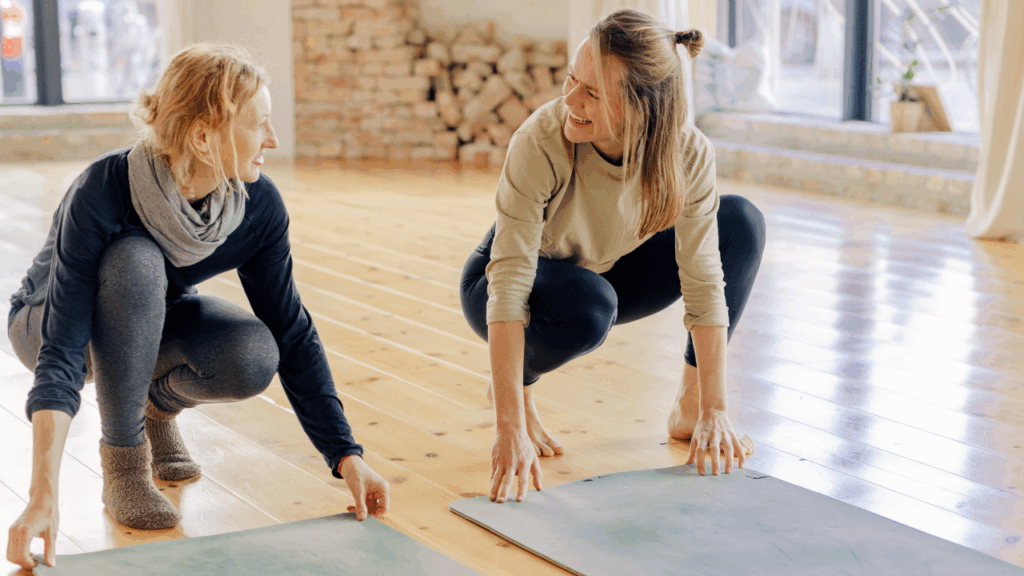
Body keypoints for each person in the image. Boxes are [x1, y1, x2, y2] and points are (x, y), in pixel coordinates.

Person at [6, 44, 389, 570]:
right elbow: (61, 348)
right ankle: (124, 462)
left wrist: (346, 455)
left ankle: (156, 407)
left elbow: (292, 330)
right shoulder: (105, 188)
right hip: (44, 320)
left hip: (148, 319)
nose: (273, 141)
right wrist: (42, 494)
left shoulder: (256, 207)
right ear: (204, 135)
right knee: (136, 260)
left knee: (253, 352)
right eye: (259, 125)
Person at [460, 10, 767, 505]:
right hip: (507, 281)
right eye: (571, 80)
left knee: (741, 221)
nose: (570, 100)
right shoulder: (541, 140)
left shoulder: (686, 153)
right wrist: (509, 426)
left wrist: (717, 408)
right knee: (588, 305)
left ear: (644, 108)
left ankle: (690, 408)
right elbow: (510, 281)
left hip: (604, 271)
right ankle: (515, 383)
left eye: (593, 93)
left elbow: (705, 279)